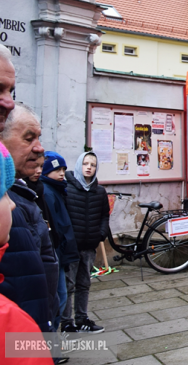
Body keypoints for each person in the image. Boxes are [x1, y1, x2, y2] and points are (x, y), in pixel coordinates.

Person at [0, 104, 56, 333]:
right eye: (28, 138)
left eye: (39, 138)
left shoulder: (21, 195)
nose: (39, 148)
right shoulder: (8, 205)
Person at [62, 152, 108, 333]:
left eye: (93, 164)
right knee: (68, 285)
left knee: (84, 283)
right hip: (71, 247)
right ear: (79, 165)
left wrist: (101, 234)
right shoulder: (67, 188)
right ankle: (66, 322)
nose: (89, 167)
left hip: (89, 246)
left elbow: (105, 215)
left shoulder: (100, 191)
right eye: (86, 163)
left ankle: (82, 319)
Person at [42, 151, 79, 332]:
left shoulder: (57, 189)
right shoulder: (48, 192)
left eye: (64, 169)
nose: (62, 173)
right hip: (56, 250)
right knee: (60, 296)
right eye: (57, 169)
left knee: (61, 295)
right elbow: (55, 226)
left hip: (59, 250)